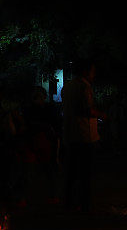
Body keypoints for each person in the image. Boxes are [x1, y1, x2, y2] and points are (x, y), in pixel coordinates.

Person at [61, 59, 105, 212]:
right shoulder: (84, 87)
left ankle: (69, 202)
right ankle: (84, 203)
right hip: (85, 136)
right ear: (86, 72)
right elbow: (87, 110)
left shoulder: (67, 87)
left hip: (70, 135)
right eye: (92, 71)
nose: (94, 74)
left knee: (71, 171)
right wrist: (102, 115)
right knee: (86, 172)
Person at [23, 86, 61, 204]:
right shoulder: (37, 110)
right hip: (37, 142)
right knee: (32, 171)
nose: (38, 100)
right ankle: (25, 197)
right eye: (36, 98)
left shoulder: (46, 110)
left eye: (39, 97)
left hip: (44, 143)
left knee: (44, 169)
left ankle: (51, 195)